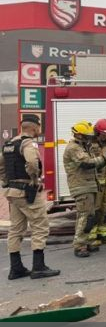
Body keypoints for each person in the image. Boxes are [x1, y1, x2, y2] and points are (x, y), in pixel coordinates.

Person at [1, 114, 60, 279]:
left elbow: (1, 165)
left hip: (12, 193)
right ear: (34, 127)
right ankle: (38, 267)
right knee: (40, 225)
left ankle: (16, 268)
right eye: (38, 127)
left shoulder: (9, 144)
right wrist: (33, 179)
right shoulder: (27, 143)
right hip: (26, 191)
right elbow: (33, 163)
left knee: (16, 229)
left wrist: (6, 181)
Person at [63, 120, 106, 258]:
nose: (89, 137)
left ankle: (85, 242)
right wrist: (105, 158)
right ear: (79, 135)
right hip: (81, 186)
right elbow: (87, 163)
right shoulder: (74, 148)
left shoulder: (83, 146)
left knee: (89, 216)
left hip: (88, 185)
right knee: (84, 217)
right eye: (86, 135)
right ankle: (79, 246)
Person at [89, 118, 106, 245]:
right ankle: (92, 236)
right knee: (96, 209)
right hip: (96, 183)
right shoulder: (90, 145)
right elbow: (89, 163)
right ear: (97, 132)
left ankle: (104, 234)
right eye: (104, 133)